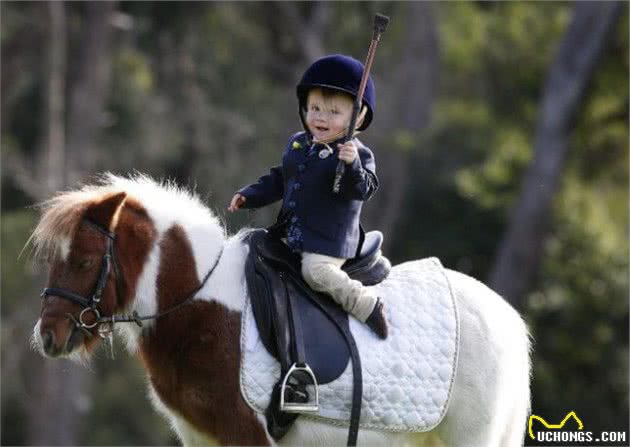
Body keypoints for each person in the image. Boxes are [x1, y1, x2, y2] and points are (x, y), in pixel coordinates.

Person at [228, 54, 387, 339]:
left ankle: (366, 305)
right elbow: (280, 178)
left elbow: (363, 190)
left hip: (328, 242)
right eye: (315, 108)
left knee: (315, 272)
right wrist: (249, 195)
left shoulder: (358, 153)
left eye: (334, 112)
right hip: (293, 235)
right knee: (250, 250)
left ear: (358, 116)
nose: (321, 117)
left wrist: (352, 165)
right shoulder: (299, 143)